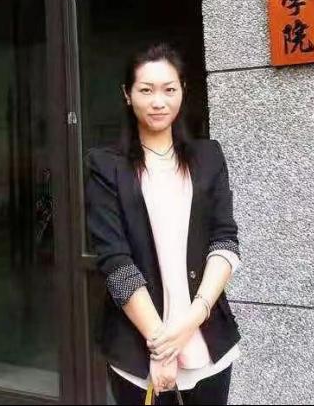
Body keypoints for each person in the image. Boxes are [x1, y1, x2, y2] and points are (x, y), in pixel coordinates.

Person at [85, 43, 241, 405]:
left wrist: (190, 321)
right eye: (146, 90)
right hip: (138, 347)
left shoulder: (208, 157)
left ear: (182, 91)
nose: (158, 102)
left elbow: (225, 240)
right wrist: (161, 345)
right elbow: (115, 261)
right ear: (127, 95)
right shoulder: (106, 166)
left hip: (206, 339)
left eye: (169, 89)